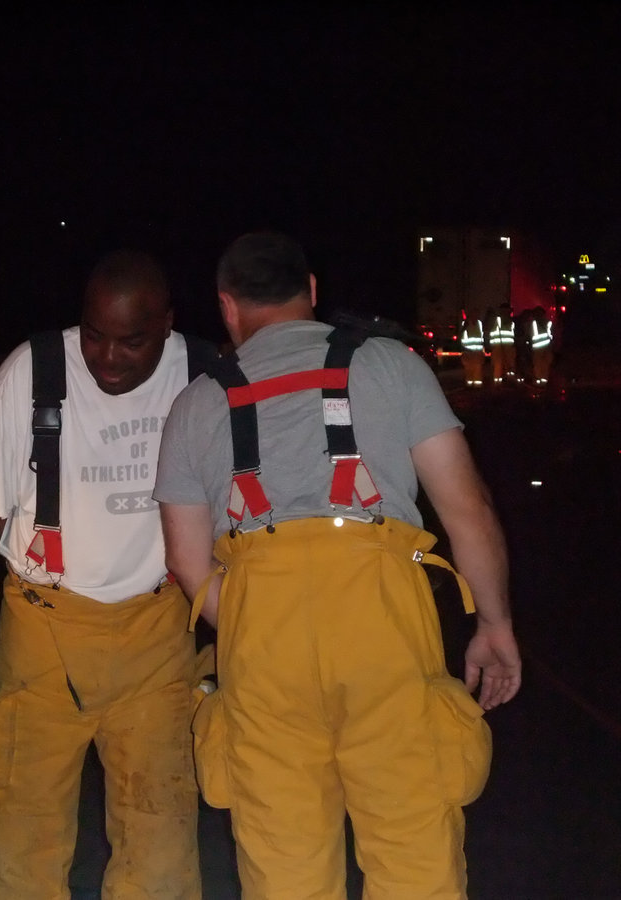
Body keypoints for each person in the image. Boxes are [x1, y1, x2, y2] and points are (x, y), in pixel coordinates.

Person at [154, 231, 522, 899]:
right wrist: (493, 626)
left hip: (264, 641)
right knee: (413, 854)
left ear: (227, 307)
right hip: (381, 627)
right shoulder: (388, 363)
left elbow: (187, 560)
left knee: (283, 863)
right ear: (313, 292)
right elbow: (467, 509)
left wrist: (245, 619)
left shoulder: (196, 404)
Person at [0, 250, 210, 899]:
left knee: (161, 840)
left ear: (166, 326)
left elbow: (233, 511)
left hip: (157, 636)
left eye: (131, 342)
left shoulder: (200, 374)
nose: (107, 357)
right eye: (94, 336)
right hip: (41, 635)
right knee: (19, 840)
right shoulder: (32, 373)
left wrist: (233, 631)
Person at [487, 302, 516, 383]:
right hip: (497, 346)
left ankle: (509, 381)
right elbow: (488, 331)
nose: (506, 312)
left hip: (509, 347)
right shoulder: (496, 320)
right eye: (504, 310)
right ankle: (498, 383)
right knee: (498, 365)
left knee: (510, 365)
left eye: (508, 311)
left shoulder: (511, 322)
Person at [459, 310, 487, 386]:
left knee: (478, 369)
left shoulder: (480, 324)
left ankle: (477, 386)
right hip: (468, 352)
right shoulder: (465, 324)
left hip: (478, 352)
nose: (476, 316)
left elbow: (481, 337)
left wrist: (483, 349)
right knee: (469, 370)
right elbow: (461, 337)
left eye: (477, 314)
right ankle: (469, 385)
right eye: (474, 314)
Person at [529, 306, 554, 385]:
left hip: (538, 347)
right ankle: (543, 381)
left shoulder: (533, 323)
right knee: (544, 364)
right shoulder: (548, 322)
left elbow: (529, 335)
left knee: (539, 364)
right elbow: (552, 334)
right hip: (546, 346)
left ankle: (538, 381)